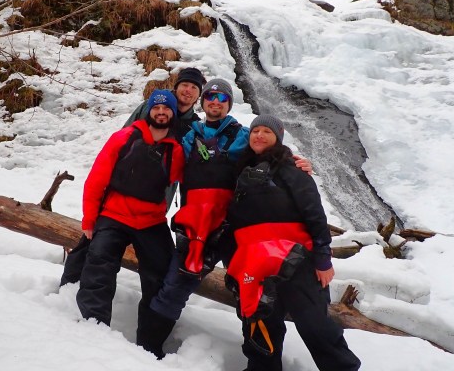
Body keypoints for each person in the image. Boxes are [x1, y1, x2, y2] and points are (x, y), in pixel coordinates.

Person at [147, 81, 313, 358]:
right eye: (210, 95)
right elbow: (159, 152)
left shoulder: (243, 136)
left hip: (233, 228)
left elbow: (269, 154)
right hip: (195, 226)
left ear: (228, 104)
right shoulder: (187, 138)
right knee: (175, 287)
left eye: (222, 96)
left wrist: (294, 163)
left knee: (249, 292)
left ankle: (262, 362)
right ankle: (146, 349)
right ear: (203, 102)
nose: (215, 100)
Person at [225, 115, 361, 371]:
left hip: (296, 260)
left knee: (314, 324)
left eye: (267, 131)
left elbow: (315, 214)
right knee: (259, 321)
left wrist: (323, 258)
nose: (259, 135)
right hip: (255, 263)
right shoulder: (241, 172)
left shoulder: (290, 169)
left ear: (278, 136)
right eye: (255, 131)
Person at [75, 89, 185, 358]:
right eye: (156, 108)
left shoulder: (176, 150)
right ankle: (93, 328)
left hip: (151, 220)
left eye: (166, 108)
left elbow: (202, 180)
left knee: (161, 275)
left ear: (173, 113)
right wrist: (90, 220)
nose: (161, 112)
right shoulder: (123, 138)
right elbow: (96, 180)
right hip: (114, 214)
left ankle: (149, 346)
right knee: (98, 262)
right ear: (149, 111)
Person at [123, 67, 206, 141]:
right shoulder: (151, 106)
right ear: (176, 88)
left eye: (194, 87)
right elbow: (123, 135)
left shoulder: (195, 125)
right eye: (185, 85)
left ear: (199, 95)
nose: (188, 90)